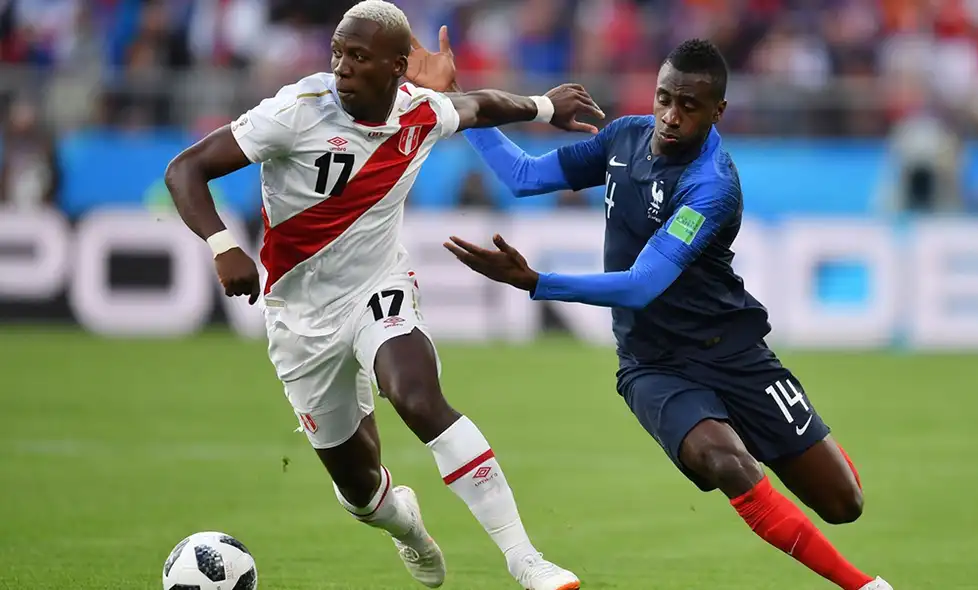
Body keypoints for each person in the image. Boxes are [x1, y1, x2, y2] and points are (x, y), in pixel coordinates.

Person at [421, 34, 893, 590]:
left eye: (689, 106)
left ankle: (797, 437)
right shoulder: (624, 137)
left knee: (844, 504)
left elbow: (643, 284)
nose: (670, 116)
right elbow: (526, 176)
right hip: (655, 365)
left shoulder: (711, 188)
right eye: (664, 98)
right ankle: (865, 587)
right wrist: (456, 97)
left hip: (735, 353)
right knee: (728, 464)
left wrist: (536, 282)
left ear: (718, 111)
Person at [164, 2, 602, 589]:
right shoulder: (296, 113)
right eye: (339, 53)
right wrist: (222, 244)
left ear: (398, 67)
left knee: (419, 399)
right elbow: (186, 168)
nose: (343, 67)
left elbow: (478, 107)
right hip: (300, 321)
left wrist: (546, 106)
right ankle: (408, 528)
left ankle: (526, 560)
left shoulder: (419, 113)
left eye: (359, 56)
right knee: (361, 488)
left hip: (378, 288)